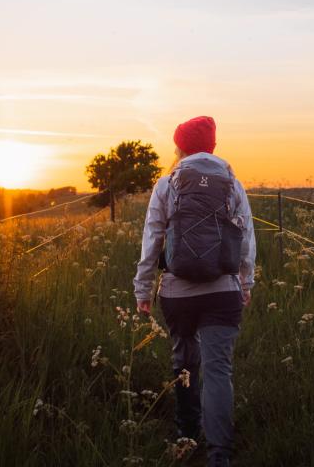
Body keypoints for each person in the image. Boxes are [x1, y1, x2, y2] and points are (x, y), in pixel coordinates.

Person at [133, 115, 256, 467]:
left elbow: (153, 240)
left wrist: (143, 289)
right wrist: (245, 283)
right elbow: (246, 240)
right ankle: (220, 455)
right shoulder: (232, 183)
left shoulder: (166, 183)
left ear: (180, 147)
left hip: (177, 294)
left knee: (185, 362)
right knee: (218, 369)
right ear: (213, 147)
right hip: (223, 292)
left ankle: (186, 435)